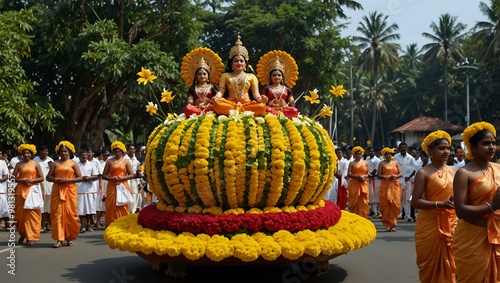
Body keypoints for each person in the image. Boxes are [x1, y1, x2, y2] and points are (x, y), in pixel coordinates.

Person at [453, 121, 500, 282]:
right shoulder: (464, 173)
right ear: (473, 147)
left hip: (498, 234)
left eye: (493, 143)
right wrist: (492, 206)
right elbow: (460, 211)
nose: (492, 147)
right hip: (472, 237)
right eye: (486, 144)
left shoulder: (498, 168)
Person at [411, 130, 458, 283]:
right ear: (431, 151)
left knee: (453, 262)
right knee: (429, 264)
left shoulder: (455, 171)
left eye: (448, 148)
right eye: (442, 148)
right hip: (429, 223)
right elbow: (415, 202)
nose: (446, 151)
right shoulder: (423, 172)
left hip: (452, 222)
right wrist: (440, 204)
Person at [211, 35, 267, 115]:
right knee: (218, 105)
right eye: (236, 61)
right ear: (231, 64)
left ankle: (237, 111)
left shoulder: (251, 77)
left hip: (247, 104)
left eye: (241, 61)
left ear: (245, 64)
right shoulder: (226, 76)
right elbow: (221, 90)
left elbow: (255, 93)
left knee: (261, 106)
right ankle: (239, 111)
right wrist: (216, 97)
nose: (239, 63)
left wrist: (260, 99)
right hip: (230, 104)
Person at [46, 141, 83, 248]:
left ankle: (69, 237)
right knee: (57, 214)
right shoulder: (55, 164)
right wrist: (57, 179)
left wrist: (68, 180)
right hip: (58, 191)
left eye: (65, 151)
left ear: (69, 152)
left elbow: (80, 177)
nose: (63, 153)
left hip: (70, 191)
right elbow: (48, 177)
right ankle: (59, 239)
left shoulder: (73, 163)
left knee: (70, 214)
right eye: (61, 151)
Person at [12, 144, 44, 246]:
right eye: (24, 153)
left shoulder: (35, 164)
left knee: (32, 214)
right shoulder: (18, 164)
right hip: (20, 191)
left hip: (32, 191)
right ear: (21, 154)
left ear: (31, 154)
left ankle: (30, 237)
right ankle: (23, 234)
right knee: (19, 216)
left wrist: (31, 180)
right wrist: (22, 180)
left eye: (28, 153)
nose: (26, 155)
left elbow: (41, 178)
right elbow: (12, 177)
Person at [181, 48, 223, 117]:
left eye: (204, 74)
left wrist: (209, 104)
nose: (202, 76)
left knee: (218, 106)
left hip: (209, 108)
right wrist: (190, 104)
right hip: (196, 109)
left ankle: (203, 114)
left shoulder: (212, 87)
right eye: (199, 74)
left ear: (208, 76)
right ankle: (201, 114)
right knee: (187, 108)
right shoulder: (193, 88)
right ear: (196, 76)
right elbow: (190, 101)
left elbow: (216, 100)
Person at [102, 141, 135, 226]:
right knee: (111, 205)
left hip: (123, 185)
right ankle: (110, 224)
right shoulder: (109, 161)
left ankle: (122, 224)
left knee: (123, 205)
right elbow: (103, 175)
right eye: (115, 151)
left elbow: (132, 175)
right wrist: (112, 178)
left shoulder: (126, 161)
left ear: (122, 152)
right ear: (113, 152)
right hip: (112, 185)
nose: (117, 153)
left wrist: (122, 178)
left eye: (119, 151)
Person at [257, 52, 298, 118]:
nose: (277, 77)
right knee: (264, 108)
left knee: (294, 110)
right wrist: (265, 100)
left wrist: (292, 103)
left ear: (282, 77)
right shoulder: (267, 88)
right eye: (274, 75)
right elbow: (263, 102)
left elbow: (291, 102)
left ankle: (279, 114)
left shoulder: (287, 90)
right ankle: (275, 114)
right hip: (270, 110)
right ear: (270, 77)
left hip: (284, 111)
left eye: (279, 75)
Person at [378, 147, 402, 232]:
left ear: (392, 155)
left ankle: (393, 224)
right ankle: (387, 224)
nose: (388, 156)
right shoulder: (381, 163)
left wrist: (395, 176)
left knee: (395, 203)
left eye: (390, 154)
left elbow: (401, 173)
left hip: (395, 185)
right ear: (384, 155)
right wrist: (387, 177)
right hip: (385, 185)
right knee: (385, 204)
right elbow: (379, 175)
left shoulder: (395, 163)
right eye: (386, 154)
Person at [76, 148, 99, 232]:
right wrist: (81, 178)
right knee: (81, 208)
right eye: (82, 155)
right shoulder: (76, 165)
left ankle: (88, 225)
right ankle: (83, 226)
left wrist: (88, 178)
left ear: (87, 156)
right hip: (80, 188)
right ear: (79, 156)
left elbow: (96, 176)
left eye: (85, 155)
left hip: (90, 189)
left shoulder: (91, 164)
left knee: (89, 208)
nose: (84, 156)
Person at [394, 142, 417, 221]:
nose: (403, 148)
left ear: (406, 148)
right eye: (401, 147)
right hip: (398, 180)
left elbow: (415, 169)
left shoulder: (410, 158)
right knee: (398, 198)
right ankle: (399, 214)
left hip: (407, 180)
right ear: (399, 148)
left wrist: (409, 177)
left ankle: (408, 215)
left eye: (404, 147)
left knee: (407, 198)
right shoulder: (395, 157)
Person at [33, 145, 54, 232]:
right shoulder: (35, 160)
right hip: (38, 185)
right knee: (41, 206)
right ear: (40, 151)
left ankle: (48, 224)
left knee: (48, 207)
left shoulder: (50, 160)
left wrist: (51, 166)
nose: (45, 152)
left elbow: (54, 172)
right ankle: (41, 225)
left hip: (49, 185)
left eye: (46, 151)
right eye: (43, 151)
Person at [347, 146, 370, 218]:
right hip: (354, 184)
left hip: (363, 183)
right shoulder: (352, 163)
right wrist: (357, 176)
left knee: (364, 201)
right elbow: (348, 174)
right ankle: (355, 217)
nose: (358, 155)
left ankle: (363, 217)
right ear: (354, 154)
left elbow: (368, 173)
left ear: (362, 154)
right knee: (354, 201)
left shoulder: (365, 162)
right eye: (357, 154)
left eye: (360, 154)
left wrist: (365, 176)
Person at [124, 144, 142, 213]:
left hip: (135, 181)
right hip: (126, 181)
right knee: (127, 197)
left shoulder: (136, 161)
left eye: (133, 149)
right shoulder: (124, 159)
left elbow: (138, 170)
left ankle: (132, 213)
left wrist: (140, 181)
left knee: (134, 197)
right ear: (127, 150)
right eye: (130, 149)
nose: (132, 150)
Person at [366, 146, 381, 218]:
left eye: (372, 151)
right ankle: (374, 211)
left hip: (376, 179)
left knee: (377, 194)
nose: (371, 152)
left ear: (374, 152)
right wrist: (369, 174)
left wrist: (372, 174)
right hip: (369, 179)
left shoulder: (377, 160)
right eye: (369, 151)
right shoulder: (367, 160)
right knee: (371, 195)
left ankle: (379, 211)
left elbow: (376, 169)